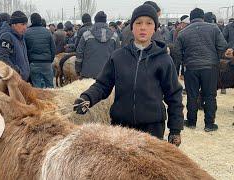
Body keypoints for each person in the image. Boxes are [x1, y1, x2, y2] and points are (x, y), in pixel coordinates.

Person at [74, 5, 183, 146]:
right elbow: (102, 85)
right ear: (132, 27)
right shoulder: (118, 57)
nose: (143, 27)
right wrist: (87, 98)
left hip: (152, 129)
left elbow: (174, 95)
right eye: (138, 23)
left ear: (155, 28)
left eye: (149, 23)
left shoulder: (164, 60)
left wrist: (175, 129)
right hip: (121, 128)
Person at [174, 8, 227, 132]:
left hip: (191, 68)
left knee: (192, 95)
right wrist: (215, 59)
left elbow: (176, 51)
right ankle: (209, 124)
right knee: (210, 95)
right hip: (210, 68)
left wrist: (184, 62)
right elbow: (222, 46)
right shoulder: (213, 28)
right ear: (203, 17)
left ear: (191, 19)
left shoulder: (183, 32)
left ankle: (191, 122)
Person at [75, 11, 120, 79]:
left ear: (95, 21)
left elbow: (79, 53)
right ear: (105, 21)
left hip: (88, 74)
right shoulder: (114, 36)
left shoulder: (86, 35)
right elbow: (118, 56)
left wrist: (78, 69)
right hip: (107, 75)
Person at [0, 11, 30, 81]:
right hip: (13, 80)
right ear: (14, 24)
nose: (25, 27)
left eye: (26, 25)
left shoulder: (21, 37)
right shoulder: (7, 36)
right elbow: (2, 59)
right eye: (22, 24)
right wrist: (17, 72)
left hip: (22, 80)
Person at [25, 13, 56, 88]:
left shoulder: (27, 32)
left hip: (34, 63)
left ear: (31, 21)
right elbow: (53, 48)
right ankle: (51, 99)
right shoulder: (47, 32)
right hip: (46, 63)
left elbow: (25, 49)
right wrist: (50, 60)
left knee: (37, 88)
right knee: (50, 86)